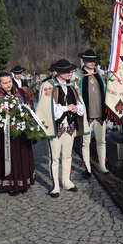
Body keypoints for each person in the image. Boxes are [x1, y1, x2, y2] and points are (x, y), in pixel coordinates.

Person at [36, 59, 88, 198]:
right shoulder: (48, 85)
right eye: (67, 71)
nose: (70, 73)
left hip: (69, 126)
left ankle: (66, 181)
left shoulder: (72, 85)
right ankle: (55, 186)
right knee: (55, 157)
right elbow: (47, 109)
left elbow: (80, 103)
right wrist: (66, 108)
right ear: (59, 72)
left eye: (71, 70)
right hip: (56, 127)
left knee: (67, 155)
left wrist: (77, 108)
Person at [0, 72, 35, 196]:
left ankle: (23, 183)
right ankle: (10, 184)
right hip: (2, 135)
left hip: (20, 133)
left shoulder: (21, 93)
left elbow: (29, 107)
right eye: (5, 83)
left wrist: (26, 116)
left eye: (9, 82)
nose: (8, 85)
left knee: (20, 156)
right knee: (7, 158)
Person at [75, 49, 108, 175]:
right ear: (84, 61)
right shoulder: (78, 76)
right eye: (89, 60)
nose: (92, 62)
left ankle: (102, 165)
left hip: (100, 115)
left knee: (101, 141)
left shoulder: (100, 75)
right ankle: (87, 168)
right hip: (86, 116)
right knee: (86, 143)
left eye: (93, 60)